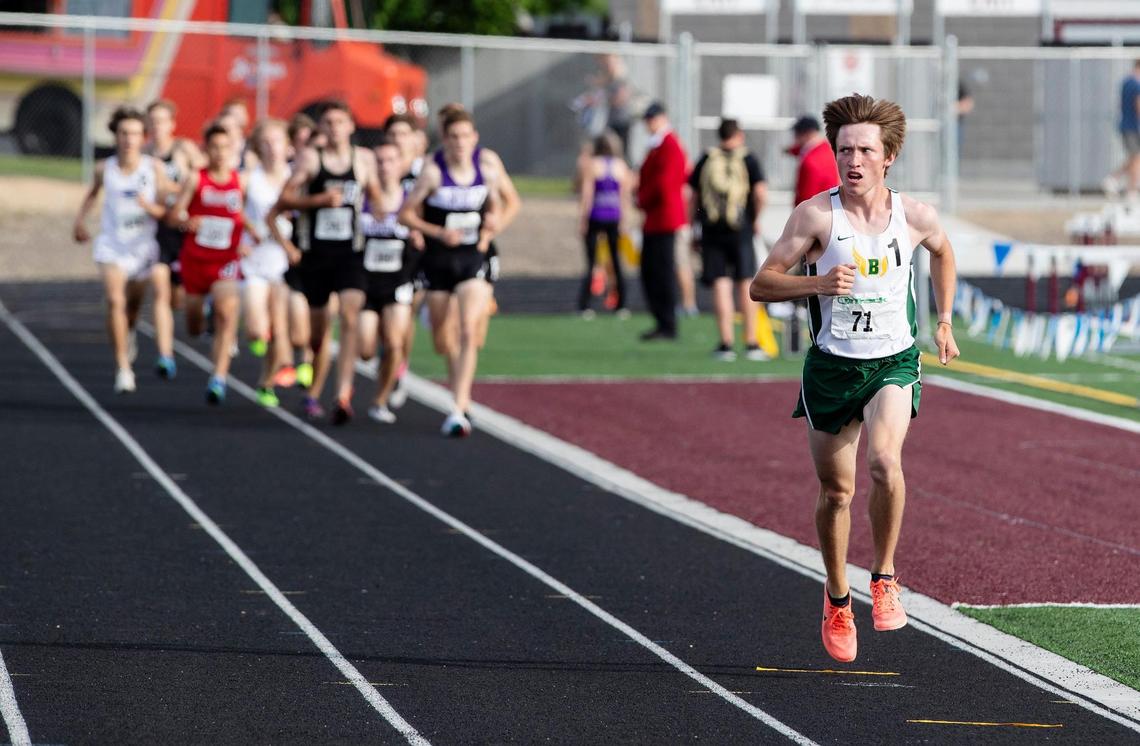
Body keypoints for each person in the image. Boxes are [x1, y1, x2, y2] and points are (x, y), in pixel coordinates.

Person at [749, 94, 960, 663]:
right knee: (837, 492)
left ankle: (884, 576)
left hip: (893, 360)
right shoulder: (816, 217)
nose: (854, 160)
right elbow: (761, 285)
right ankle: (838, 597)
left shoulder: (914, 215)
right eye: (844, 149)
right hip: (832, 366)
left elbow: (943, 254)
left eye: (865, 149)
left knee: (885, 463)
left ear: (888, 155)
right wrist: (817, 284)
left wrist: (943, 321)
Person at [270, 100, 380, 424]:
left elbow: (377, 198)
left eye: (340, 122)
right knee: (317, 336)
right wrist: (317, 200)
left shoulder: (363, 160)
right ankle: (315, 381)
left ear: (351, 127)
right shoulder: (310, 159)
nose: (334, 129)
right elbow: (283, 200)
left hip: (351, 254)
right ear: (322, 129)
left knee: (348, 317)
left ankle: (342, 393)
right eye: (328, 123)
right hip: (316, 255)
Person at [399, 109, 504, 437]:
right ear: (444, 140)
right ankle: (458, 387)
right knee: (444, 341)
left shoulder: (486, 166)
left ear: (475, 138)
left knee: (469, 331)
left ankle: (459, 406)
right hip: (439, 260)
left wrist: (492, 226)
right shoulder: (433, 172)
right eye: (454, 137)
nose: (460, 143)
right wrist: (436, 232)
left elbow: (507, 203)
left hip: (473, 258)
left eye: (466, 136)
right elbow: (406, 215)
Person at [73, 106, 171, 393]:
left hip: (143, 247)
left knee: (132, 309)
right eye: (124, 133)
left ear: (143, 137)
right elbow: (92, 194)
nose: (129, 139)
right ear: (116, 136)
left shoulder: (154, 168)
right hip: (112, 246)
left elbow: (166, 206)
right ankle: (123, 369)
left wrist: (151, 206)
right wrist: (80, 221)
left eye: (135, 134)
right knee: (115, 301)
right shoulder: (105, 169)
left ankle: (127, 333)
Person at [167, 121, 248, 404]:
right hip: (196, 260)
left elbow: (250, 214)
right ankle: (203, 321)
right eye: (215, 147)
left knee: (227, 312)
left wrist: (251, 238)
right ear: (206, 150)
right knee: (192, 324)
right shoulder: (195, 178)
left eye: (226, 147)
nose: (221, 153)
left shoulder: (242, 181)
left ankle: (219, 378)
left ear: (233, 149)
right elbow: (175, 214)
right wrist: (188, 220)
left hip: (225, 260)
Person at [689, 118, 767, 360]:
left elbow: (692, 195)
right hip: (741, 228)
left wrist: (694, 226)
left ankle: (725, 344)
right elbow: (760, 193)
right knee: (745, 282)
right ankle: (752, 343)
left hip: (712, 229)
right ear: (739, 134)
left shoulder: (706, 159)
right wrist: (755, 219)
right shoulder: (748, 159)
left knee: (720, 283)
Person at [358, 140, 423, 424]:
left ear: (401, 165)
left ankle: (380, 400)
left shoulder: (412, 198)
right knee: (365, 349)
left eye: (390, 161)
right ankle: (379, 357)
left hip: (399, 280)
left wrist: (419, 236)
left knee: (395, 344)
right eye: (380, 161)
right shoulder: (362, 198)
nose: (385, 167)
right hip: (366, 282)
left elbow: (426, 231)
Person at [145, 99, 203, 380]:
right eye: (152, 121)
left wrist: (173, 189)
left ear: (172, 124)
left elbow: (204, 180)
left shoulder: (184, 150)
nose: (157, 127)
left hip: (185, 231)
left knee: (179, 300)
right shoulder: (144, 155)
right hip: (159, 232)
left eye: (162, 121)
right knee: (160, 290)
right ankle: (165, 355)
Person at [240, 118, 295, 407]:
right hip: (255, 260)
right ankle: (272, 363)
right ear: (258, 147)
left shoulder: (296, 177)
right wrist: (240, 239)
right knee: (256, 329)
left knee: (278, 324)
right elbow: (232, 210)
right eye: (267, 142)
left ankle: (268, 381)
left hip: (284, 260)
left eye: (278, 141)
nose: (273, 148)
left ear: (288, 146)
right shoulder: (249, 178)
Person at [637, 101, 688, 340]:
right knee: (652, 271)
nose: (649, 123)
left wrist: (642, 199)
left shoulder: (668, 145)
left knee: (661, 271)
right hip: (656, 218)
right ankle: (662, 320)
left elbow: (664, 184)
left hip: (664, 218)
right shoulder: (659, 145)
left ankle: (668, 323)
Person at [576, 130, 631, 317]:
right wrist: (624, 220)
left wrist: (582, 219)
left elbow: (587, 194)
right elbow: (624, 197)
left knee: (591, 262)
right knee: (616, 261)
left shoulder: (592, 165)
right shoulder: (621, 166)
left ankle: (586, 304)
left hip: (596, 216)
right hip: (613, 217)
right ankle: (621, 304)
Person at [1104, 60, 1140, 201]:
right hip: (1132, 127)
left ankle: (1114, 179)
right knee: (1135, 159)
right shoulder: (1136, 85)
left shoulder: (1125, 83)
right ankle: (1131, 190)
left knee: (1134, 157)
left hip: (1125, 125)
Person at [788, 116, 840, 208]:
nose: (795, 138)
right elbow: (799, 150)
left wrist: (798, 216)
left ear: (808, 133)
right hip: (831, 206)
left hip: (813, 211)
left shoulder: (810, 162)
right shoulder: (827, 149)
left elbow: (806, 198)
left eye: (798, 134)